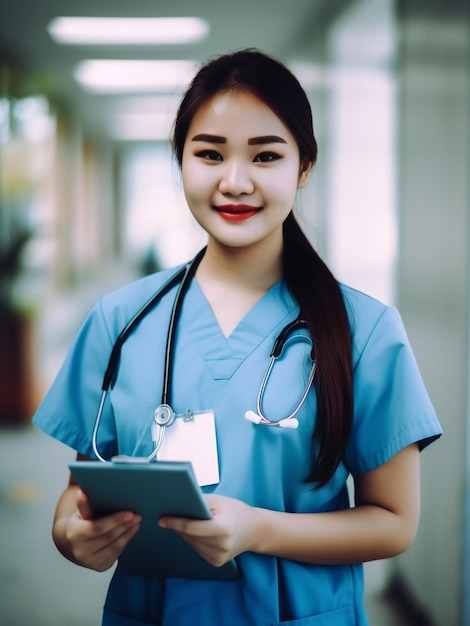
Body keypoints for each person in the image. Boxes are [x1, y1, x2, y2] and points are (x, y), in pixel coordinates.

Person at [33, 48, 442, 626]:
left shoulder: (364, 331)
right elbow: (83, 490)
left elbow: (394, 521)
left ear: (303, 168)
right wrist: (70, 533)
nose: (234, 181)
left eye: (266, 155)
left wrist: (260, 530)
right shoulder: (119, 319)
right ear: (182, 163)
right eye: (209, 153)